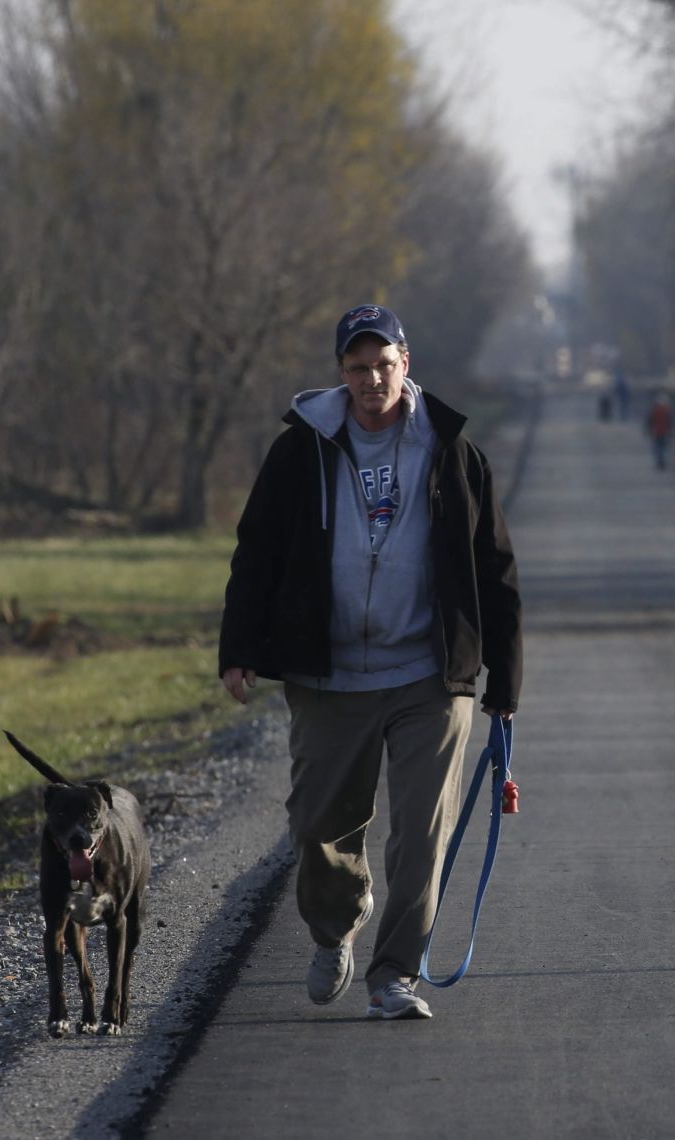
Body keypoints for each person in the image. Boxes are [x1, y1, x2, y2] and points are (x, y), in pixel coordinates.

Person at [218, 303, 522, 1021]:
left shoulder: (448, 449)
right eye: (357, 367)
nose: (371, 379)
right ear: (341, 373)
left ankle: (395, 976)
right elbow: (256, 552)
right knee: (320, 829)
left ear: (405, 364)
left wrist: (504, 680)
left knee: (422, 830)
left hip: (428, 671)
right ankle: (336, 926)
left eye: (384, 364)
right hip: (326, 674)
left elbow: (496, 569)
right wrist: (239, 649)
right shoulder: (301, 450)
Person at [645, 392, 673, 470]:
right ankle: (662, 461)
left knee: (658, 448)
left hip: (657, 432)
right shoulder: (667, 411)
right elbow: (670, 423)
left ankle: (660, 461)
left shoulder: (655, 410)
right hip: (664, 432)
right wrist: (670, 431)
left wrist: (648, 430)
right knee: (663, 448)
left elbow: (650, 421)